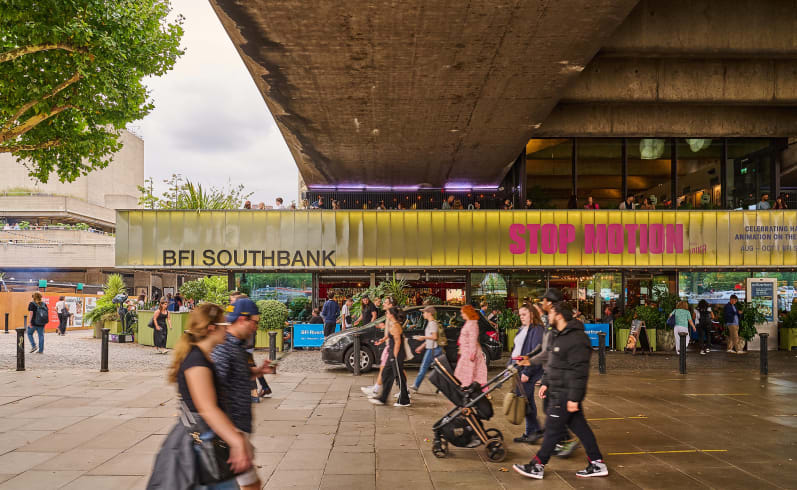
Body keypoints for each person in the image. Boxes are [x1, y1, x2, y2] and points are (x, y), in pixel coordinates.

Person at [148, 303, 252, 489]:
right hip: (200, 444)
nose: (227, 329)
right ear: (211, 328)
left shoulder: (201, 357)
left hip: (206, 441)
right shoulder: (197, 361)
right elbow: (207, 408)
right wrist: (236, 441)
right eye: (223, 325)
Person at [514, 302, 607, 480]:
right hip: (559, 388)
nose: (548, 317)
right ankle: (597, 462)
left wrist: (574, 398)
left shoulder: (576, 338)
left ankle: (537, 465)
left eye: (550, 314)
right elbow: (553, 361)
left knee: (552, 429)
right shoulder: (561, 335)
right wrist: (546, 381)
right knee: (581, 428)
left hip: (566, 391)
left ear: (559, 315)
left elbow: (580, 371)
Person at [212, 298, 275, 490]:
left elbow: (239, 376)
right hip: (231, 432)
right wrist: (234, 440)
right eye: (254, 322)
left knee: (251, 484)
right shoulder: (224, 348)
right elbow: (214, 393)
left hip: (237, 431)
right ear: (242, 319)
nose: (256, 327)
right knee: (249, 485)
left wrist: (258, 372)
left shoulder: (238, 346)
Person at [512, 304, 545, 444]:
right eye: (520, 315)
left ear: (532, 314)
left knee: (525, 401)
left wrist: (527, 372)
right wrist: (510, 365)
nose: (521, 317)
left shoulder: (537, 330)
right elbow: (517, 349)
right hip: (521, 369)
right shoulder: (524, 329)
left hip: (531, 371)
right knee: (526, 400)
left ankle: (534, 431)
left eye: (524, 314)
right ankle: (533, 431)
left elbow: (535, 352)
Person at [369, 307, 410, 407]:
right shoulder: (393, 324)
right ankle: (382, 399)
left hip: (396, 355)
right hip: (392, 354)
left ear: (391, 314)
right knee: (386, 374)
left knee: (399, 377)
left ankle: (404, 401)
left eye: (387, 312)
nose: (386, 314)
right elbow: (389, 335)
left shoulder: (396, 326)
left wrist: (394, 357)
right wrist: (382, 340)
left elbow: (398, 342)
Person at [363, 297, 396, 398]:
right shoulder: (388, 314)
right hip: (389, 345)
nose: (383, 304)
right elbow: (389, 331)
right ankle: (376, 389)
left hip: (392, 346)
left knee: (390, 370)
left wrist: (382, 327)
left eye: (385, 302)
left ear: (391, 305)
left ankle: (377, 391)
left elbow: (395, 330)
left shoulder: (392, 315)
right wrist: (383, 339)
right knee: (386, 369)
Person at [410, 306, 443, 392]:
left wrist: (422, 337)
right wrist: (422, 346)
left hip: (433, 349)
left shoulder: (432, 323)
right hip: (433, 348)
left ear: (429, 313)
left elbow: (434, 337)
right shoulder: (431, 323)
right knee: (438, 369)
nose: (423, 314)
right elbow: (431, 338)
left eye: (424, 312)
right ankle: (441, 388)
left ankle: (416, 385)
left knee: (424, 368)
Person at [454, 305, 487, 388]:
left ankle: (466, 391)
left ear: (467, 313)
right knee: (468, 374)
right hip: (467, 353)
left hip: (469, 354)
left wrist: (472, 354)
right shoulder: (469, 322)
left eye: (463, 313)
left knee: (467, 374)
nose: (462, 315)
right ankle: (467, 391)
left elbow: (473, 340)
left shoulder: (472, 324)